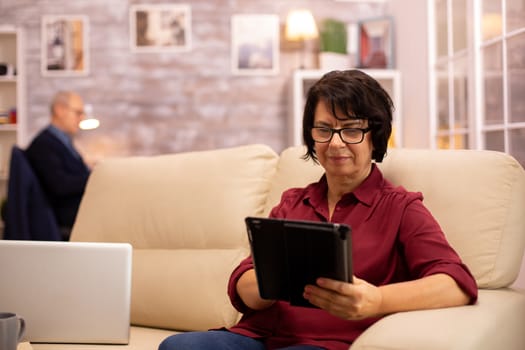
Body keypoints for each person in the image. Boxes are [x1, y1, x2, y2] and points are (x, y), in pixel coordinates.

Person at [158, 70, 478, 350]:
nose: (335, 143)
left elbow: (456, 283)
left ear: (375, 136)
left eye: (351, 129)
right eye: (324, 130)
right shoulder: (293, 203)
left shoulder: (401, 208)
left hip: (326, 344)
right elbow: (244, 281)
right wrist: (267, 286)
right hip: (256, 336)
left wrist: (377, 300)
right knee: (177, 346)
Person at [25, 91, 91, 240]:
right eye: (78, 112)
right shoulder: (44, 144)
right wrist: (93, 177)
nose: (82, 118)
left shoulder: (61, 141)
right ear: (59, 110)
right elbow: (60, 185)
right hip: (65, 218)